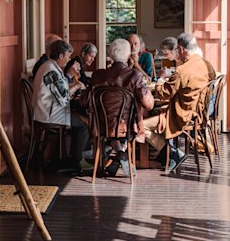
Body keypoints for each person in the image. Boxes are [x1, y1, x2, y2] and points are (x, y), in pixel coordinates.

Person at [143, 33, 211, 172]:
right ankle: (159, 155)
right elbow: (212, 76)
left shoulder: (182, 71)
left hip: (181, 114)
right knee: (154, 111)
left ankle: (172, 153)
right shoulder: (204, 64)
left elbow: (163, 93)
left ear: (180, 49)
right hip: (197, 111)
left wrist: (160, 80)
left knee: (140, 126)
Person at [89, 39, 154, 175]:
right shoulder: (134, 75)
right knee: (129, 126)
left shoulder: (98, 75)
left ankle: (118, 155)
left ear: (110, 54)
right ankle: (121, 153)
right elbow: (148, 104)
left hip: (101, 125)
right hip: (126, 126)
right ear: (128, 55)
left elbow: (84, 101)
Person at [33, 39, 89, 169]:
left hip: (46, 110)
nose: (69, 59)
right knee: (83, 125)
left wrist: (72, 83)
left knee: (79, 117)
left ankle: (73, 158)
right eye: (68, 56)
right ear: (61, 56)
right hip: (49, 115)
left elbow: (59, 89)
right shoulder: (51, 70)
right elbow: (64, 97)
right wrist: (77, 86)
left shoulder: (50, 66)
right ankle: (76, 161)